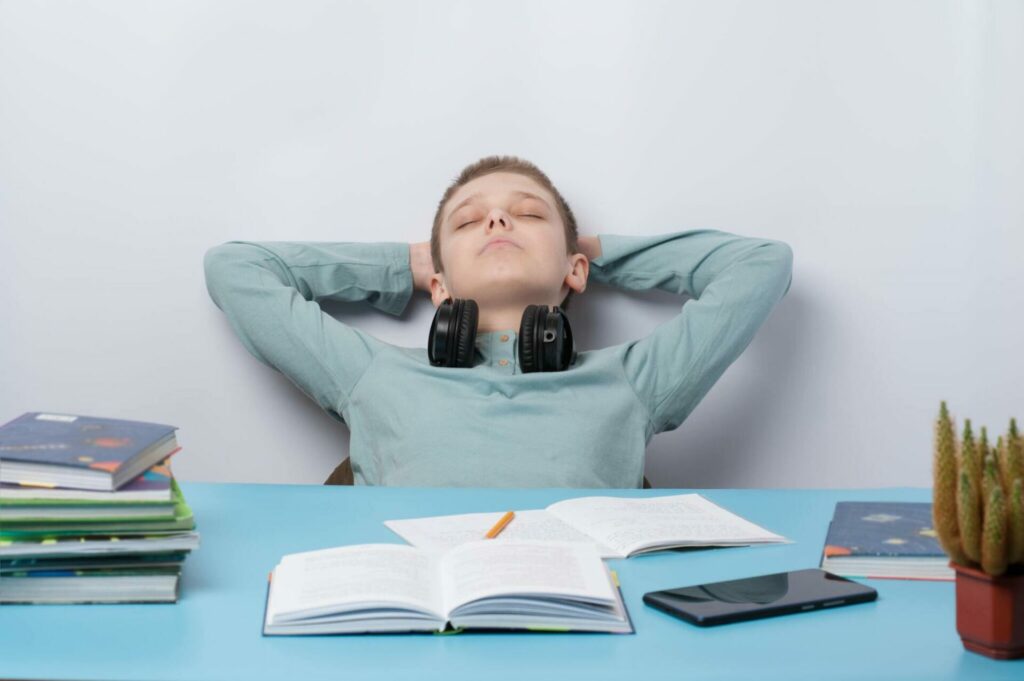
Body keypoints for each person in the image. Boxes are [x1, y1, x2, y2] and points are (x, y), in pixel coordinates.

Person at [203, 155, 793, 487]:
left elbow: (760, 264)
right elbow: (236, 269)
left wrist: (586, 253)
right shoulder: (371, 373)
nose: (497, 223)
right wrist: (406, 264)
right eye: (468, 222)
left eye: (527, 214)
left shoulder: (633, 380)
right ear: (437, 283)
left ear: (576, 272)